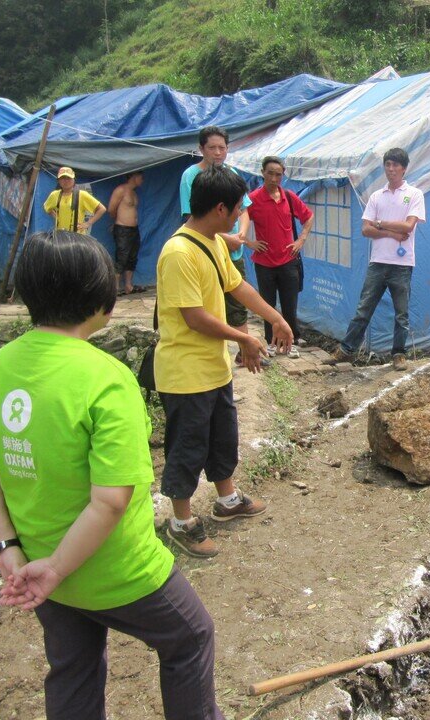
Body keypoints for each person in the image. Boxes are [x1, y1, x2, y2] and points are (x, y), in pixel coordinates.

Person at [0, 230, 222, 719]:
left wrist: (10, 552)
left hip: (38, 569)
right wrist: (59, 566)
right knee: (190, 637)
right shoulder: (106, 379)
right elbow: (111, 501)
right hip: (117, 572)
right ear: (98, 299)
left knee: (73, 666)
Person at [156, 165, 294, 558]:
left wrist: (275, 318)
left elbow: (237, 286)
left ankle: (227, 499)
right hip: (185, 372)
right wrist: (243, 337)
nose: (240, 215)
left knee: (222, 436)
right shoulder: (179, 252)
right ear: (219, 208)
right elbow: (193, 316)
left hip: (213, 368)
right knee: (187, 446)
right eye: (237, 208)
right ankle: (180, 522)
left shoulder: (215, 241)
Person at [331, 148, 425, 371]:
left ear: (404, 168)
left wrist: (380, 223)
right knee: (364, 309)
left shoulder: (414, 194)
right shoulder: (376, 196)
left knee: (401, 313)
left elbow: (409, 226)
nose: (391, 169)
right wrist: (390, 231)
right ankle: (346, 350)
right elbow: (366, 229)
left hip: (402, 264)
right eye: (388, 165)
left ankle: (399, 353)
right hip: (378, 262)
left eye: (395, 165)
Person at [180, 125, 258, 367]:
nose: (217, 152)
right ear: (201, 148)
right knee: (208, 303)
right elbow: (191, 219)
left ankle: (242, 350)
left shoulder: (232, 173)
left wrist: (241, 235)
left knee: (237, 298)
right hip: (209, 248)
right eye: (212, 147)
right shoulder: (191, 177)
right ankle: (216, 350)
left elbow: (244, 210)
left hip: (234, 250)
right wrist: (227, 238)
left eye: (221, 148)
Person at [246, 156, 313, 360]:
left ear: (283, 175)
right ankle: (271, 342)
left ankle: (290, 343)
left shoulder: (289, 197)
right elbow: (237, 220)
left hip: (288, 261)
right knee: (267, 305)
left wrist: (300, 240)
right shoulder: (254, 198)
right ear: (262, 173)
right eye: (270, 173)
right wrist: (249, 243)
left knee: (289, 304)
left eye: (278, 174)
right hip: (264, 263)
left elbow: (308, 217)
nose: (274, 178)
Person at [108, 171, 144, 295]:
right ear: (134, 176)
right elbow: (111, 208)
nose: (142, 179)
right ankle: (115, 287)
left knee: (132, 257)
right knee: (121, 257)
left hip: (134, 229)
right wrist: (117, 221)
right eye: (140, 176)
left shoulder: (134, 193)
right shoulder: (121, 190)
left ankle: (129, 285)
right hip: (122, 228)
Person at [43, 166, 106, 234]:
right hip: (60, 235)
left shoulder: (82, 194)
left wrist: (88, 224)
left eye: (69, 178)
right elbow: (47, 207)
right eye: (63, 178)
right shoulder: (54, 195)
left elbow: (102, 209)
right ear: (58, 181)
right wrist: (56, 217)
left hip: (78, 236)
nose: (66, 181)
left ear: (74, 180)